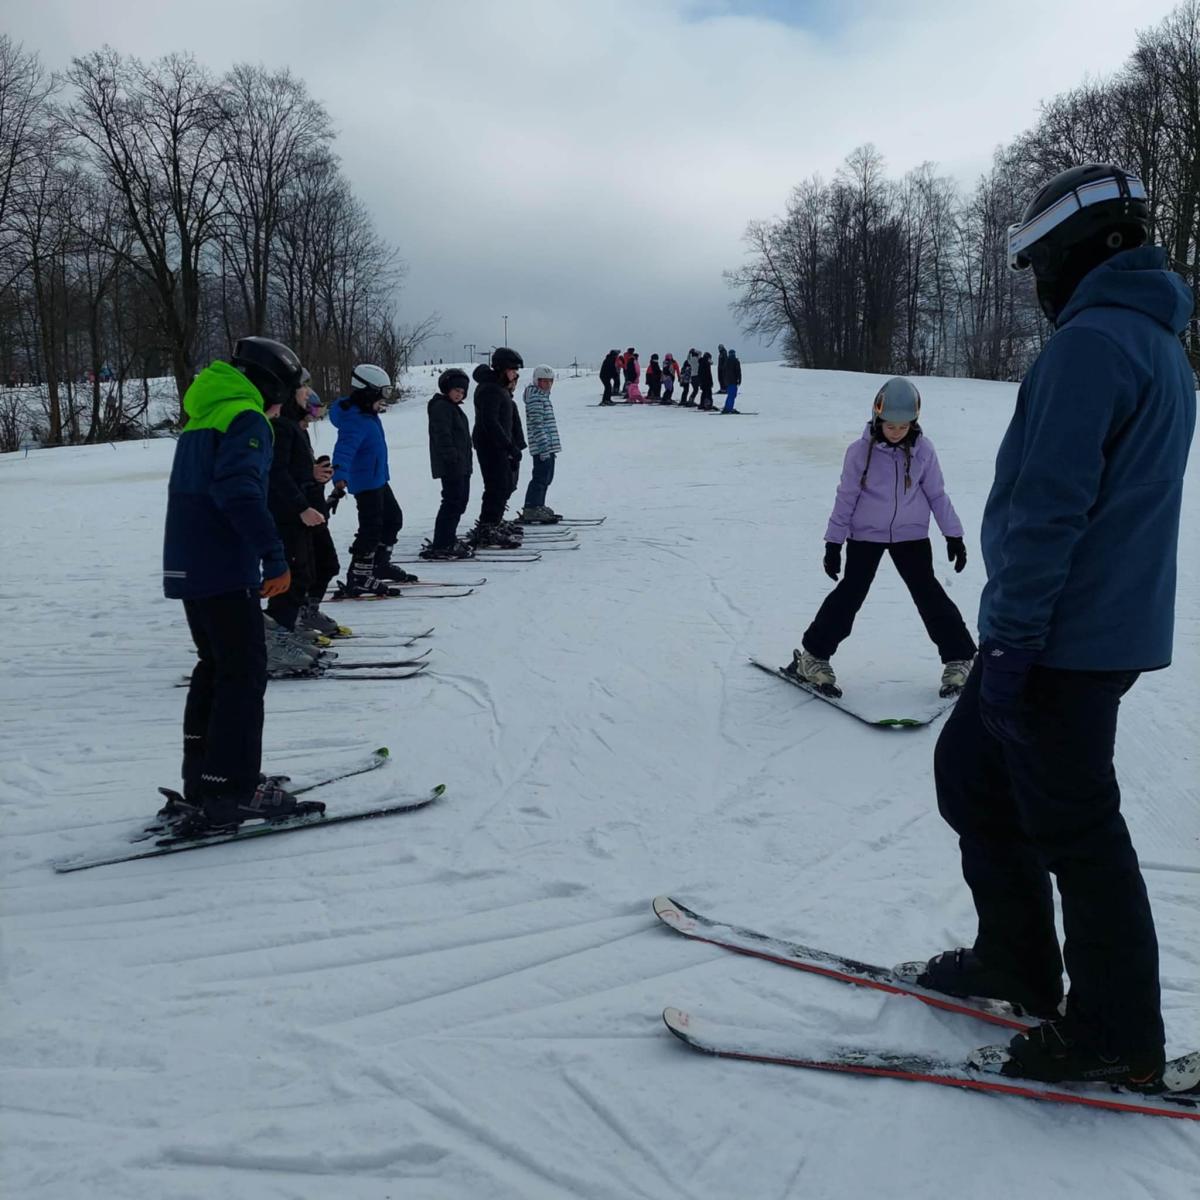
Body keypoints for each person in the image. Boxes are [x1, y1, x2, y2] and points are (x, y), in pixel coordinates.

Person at [919, 164, 1194, 1090]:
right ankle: (1018, 960)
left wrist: (1011, 640)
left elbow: (1049, 508)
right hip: (1088, 632)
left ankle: (1115, 1033)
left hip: (1058, 640)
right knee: (972, 773)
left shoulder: (1094, 345)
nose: (1038, 284)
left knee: (1077, 829)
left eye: (1041, 262)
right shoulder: (1155, 343)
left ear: (1081, 250)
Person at [161, 336, 316, 829]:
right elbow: (239, 493)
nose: (284, 404)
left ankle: (206, 779)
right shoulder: (246, 418)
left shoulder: (205, 414)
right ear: (271, 384)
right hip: (224, 566)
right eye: (286, 391)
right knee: (244, 674)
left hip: (190, 563)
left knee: (216, 667)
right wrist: (275, 557)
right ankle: (232, 789)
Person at [787, 377, 976, 697]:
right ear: (877, 418)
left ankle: (961, 659)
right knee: (850, 593)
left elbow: (937, 494)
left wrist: (953, 535)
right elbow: (846, 498)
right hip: (866, 535)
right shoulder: (859, 452)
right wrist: (833, 542)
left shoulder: (924, 450)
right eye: (890, 426)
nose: (897, 432)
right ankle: (812, 658)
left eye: (904, 426)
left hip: (911, 535)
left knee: (928, 593)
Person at [330, 364, 417, 595]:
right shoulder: (354, 420)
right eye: (381, 396)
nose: (383, 402)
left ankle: (378, 564)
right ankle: (359, 575)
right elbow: (343, 451)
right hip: (365, 483)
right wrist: (339, 478)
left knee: (393, 519)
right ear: (367, 394)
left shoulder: (367, 415)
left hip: (377, 479)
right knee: (371, 528)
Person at [471, 346, 527, 548]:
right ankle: (488, 526)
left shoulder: (499, 388)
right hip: (491, 446)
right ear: (502, 369)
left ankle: (494, 520)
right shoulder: (490, 390)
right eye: (513, 370)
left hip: (498, 445)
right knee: (497, 485)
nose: (515, 374)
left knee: (504, 485)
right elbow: (490, 422)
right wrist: (508, 446)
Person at [418, 368, 476, 560]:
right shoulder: (441, 407)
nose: (459, 394)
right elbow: (442, 435)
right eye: (456, 390)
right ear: (447, 388)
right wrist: (452, 457)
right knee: (452, 501)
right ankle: (443, 542)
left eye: (462, 392)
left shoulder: (453, 408)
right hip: (452, 465)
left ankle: (448, 537)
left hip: (461, 464)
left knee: (460, 502)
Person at [520, 365, 563, 523]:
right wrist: (544, 447)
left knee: (547, 477)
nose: (548, 385)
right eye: (544, 381)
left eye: (550, 381)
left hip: (548, 446)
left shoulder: (543, 397)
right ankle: (531, 507)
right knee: (540, 477)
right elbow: (537, 424)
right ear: (536, 381)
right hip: (541, 447)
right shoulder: (536, 398)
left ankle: (539, 505)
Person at [721, 349, 742, 413]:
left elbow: (723, 371)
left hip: (727, 381)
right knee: (732, 395)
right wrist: (739, 380)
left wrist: (724, 380)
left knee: (730, 395)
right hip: (733, 381)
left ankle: (727, 407)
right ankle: (729, 408)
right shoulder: (736, 361)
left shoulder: (726, 361)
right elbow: (738, 371)